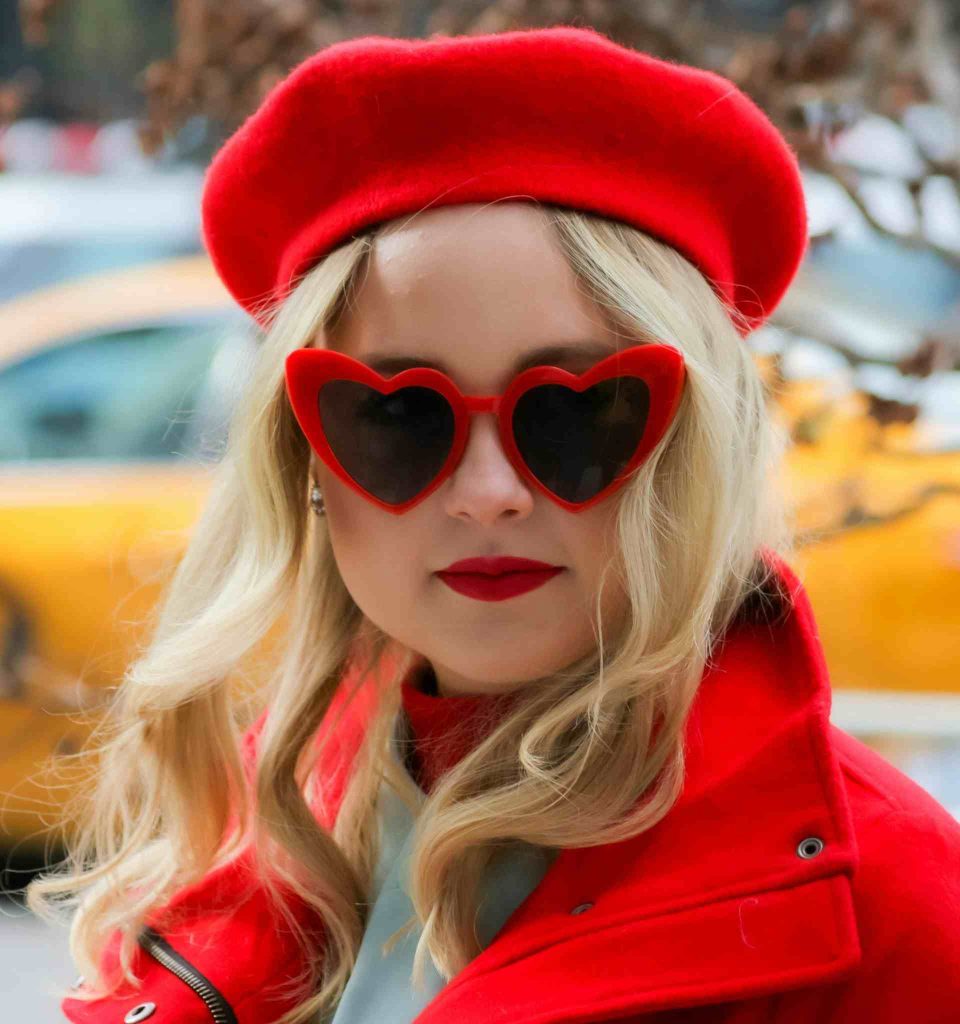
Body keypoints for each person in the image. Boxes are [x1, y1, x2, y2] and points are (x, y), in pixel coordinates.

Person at [29, 25, 960, 1024]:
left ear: (693, 451)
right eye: (396, 414)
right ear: (304, 456)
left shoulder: (894, 913)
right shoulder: (252, 829)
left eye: (576, 412)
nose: (487, 491)